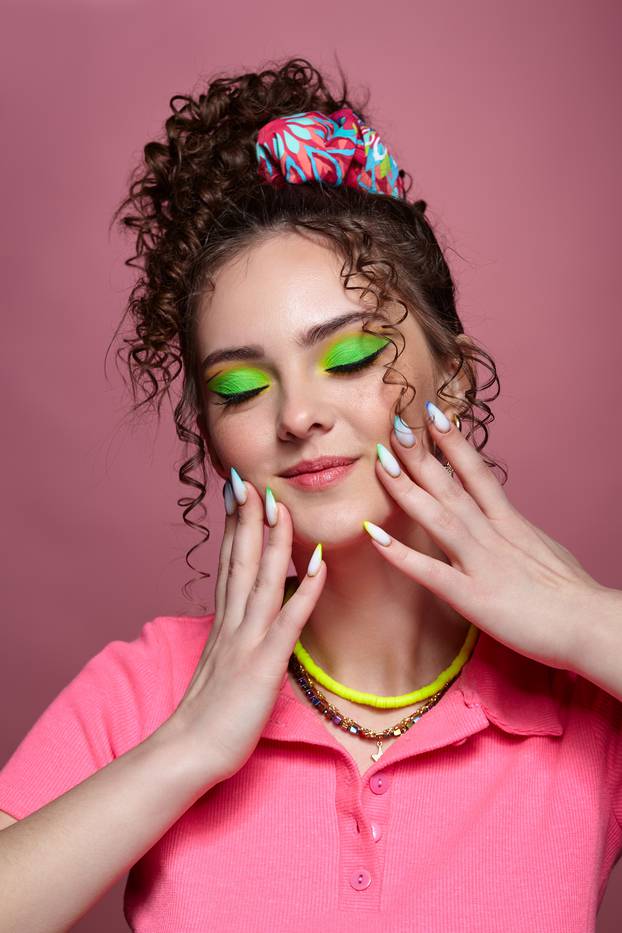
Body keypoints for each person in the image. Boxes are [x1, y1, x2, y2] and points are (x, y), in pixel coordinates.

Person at [1, 56, 621, 933]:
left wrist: (595, 625)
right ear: (210, 438)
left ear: (452, 377)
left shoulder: (585, 698)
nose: (298, 414)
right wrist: (189, 747)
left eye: (350, 358)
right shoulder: (148, 688)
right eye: (242, 388)